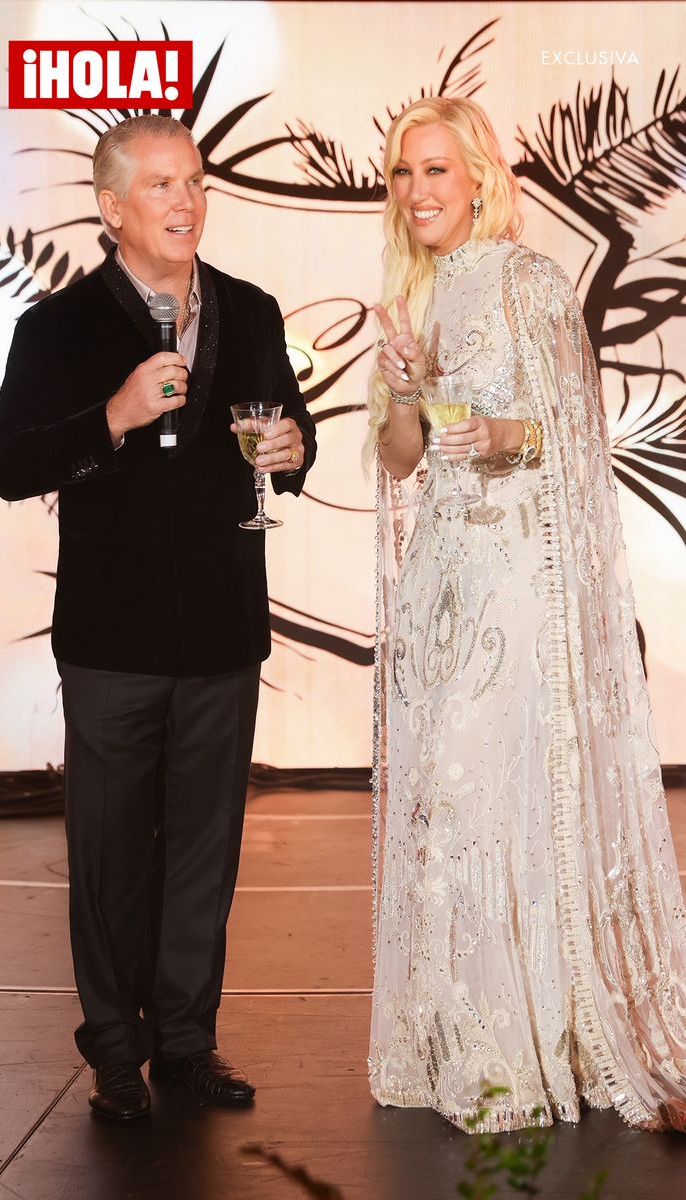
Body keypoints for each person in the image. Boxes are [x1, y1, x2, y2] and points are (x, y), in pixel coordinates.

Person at [365, 96, 686, 1133]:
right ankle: (458, 1033)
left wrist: (496, 432)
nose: (417, 192)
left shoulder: (527, 280)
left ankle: (527, 1042)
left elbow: (564, 434)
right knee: (438, 810)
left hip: (513, 586)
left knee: (483, 799)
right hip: (441, 587)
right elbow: (399, 461)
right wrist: (408, 390)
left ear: (477, 179)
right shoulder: (415, 295)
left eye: (435, 171)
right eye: (402, 174)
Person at [0, 115, 316, 1121]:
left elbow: (290, 434)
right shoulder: (58, 328)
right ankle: (115, 1054)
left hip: (222, 626)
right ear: (111, 208)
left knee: (204, 848)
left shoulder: (252, 312)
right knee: (110, 851)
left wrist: (292, 455)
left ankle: (184, 1040)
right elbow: (12, 467)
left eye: (195, 182)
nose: (185, 202)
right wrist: (116, 418)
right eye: (161, 186)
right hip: (112, 634)